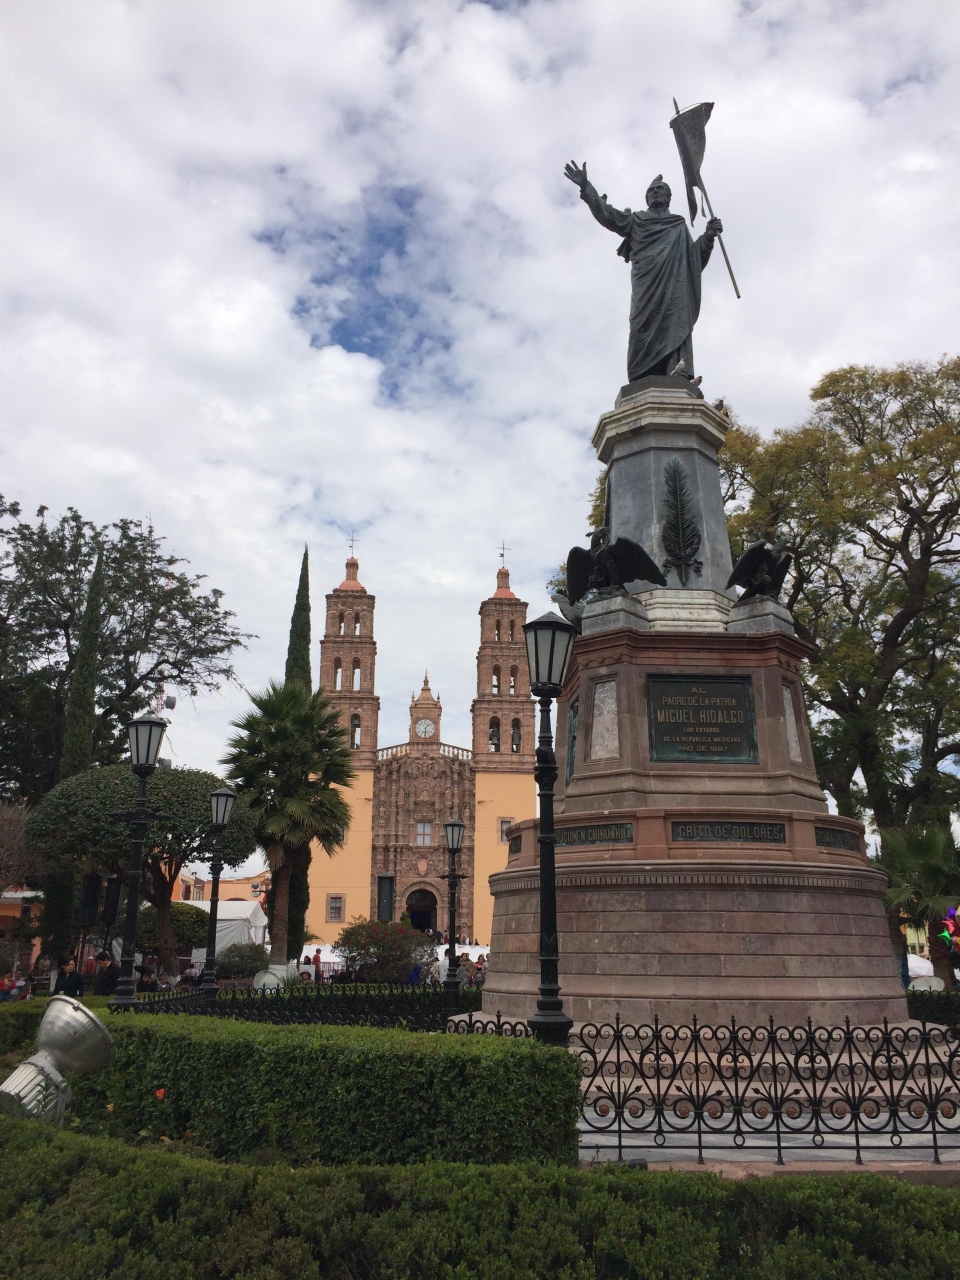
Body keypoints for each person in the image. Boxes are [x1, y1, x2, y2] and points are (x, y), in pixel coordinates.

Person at [564, 162, 722, 384]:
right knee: (641, 327)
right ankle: (642, 376)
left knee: (675, 320)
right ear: (647, 199)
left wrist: (708, 237)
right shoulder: (636, 220)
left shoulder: (677, 225)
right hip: (646, 284)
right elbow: (608, 215)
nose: (655, 192)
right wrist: (586, 187)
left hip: (674, 284)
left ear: (668, 198)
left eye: (660, 189)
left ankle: (676, 368)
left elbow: (691, 260)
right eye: (651, 190)